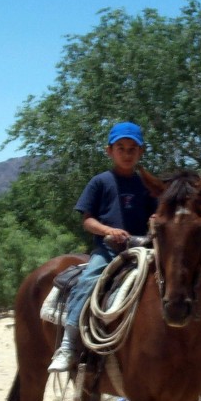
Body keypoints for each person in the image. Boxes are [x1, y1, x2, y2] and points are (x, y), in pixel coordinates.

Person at [48, 121, 157, 373]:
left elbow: (156, 214)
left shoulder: (146, 185)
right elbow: (88, 221)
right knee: (89, 280)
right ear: (109, 151)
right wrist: (109, 230)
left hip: (141, 249)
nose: (127, 153)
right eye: (121, 148)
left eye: (132, 149)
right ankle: (68, 345)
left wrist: (154, 221)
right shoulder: (100, 182)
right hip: (108, 250)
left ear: (141, 152)